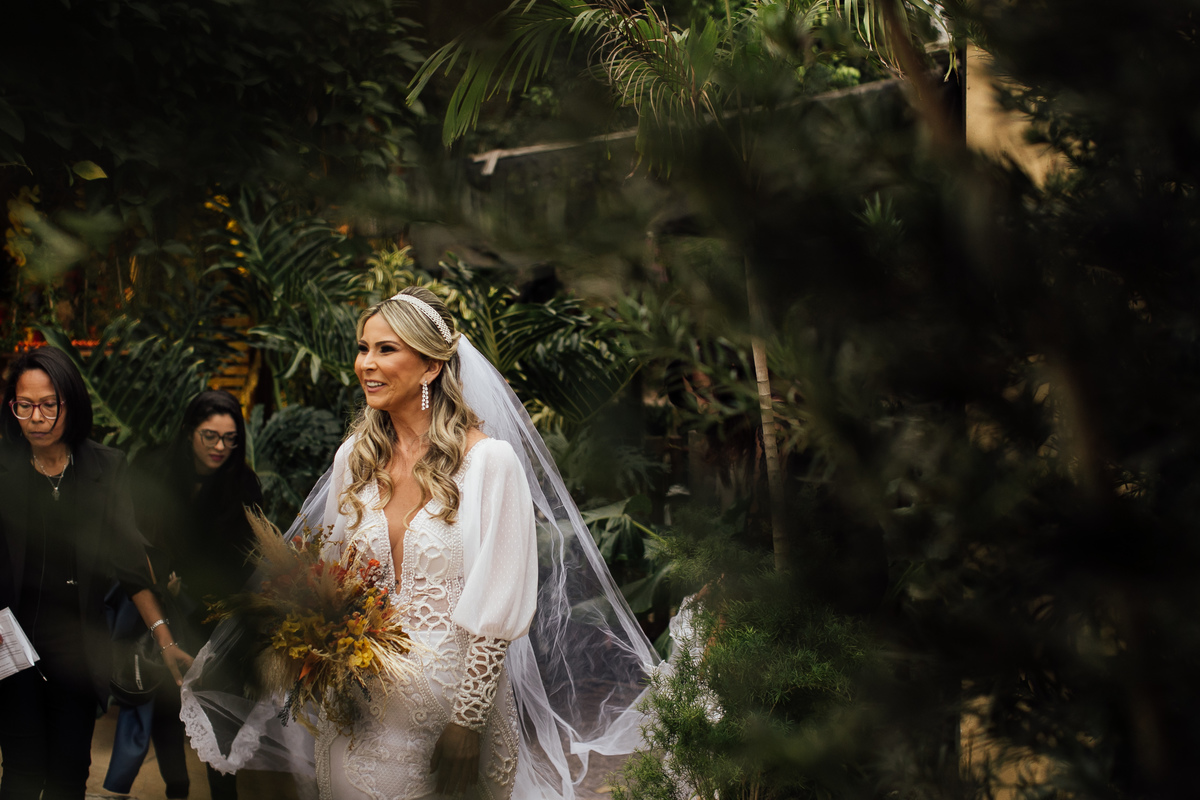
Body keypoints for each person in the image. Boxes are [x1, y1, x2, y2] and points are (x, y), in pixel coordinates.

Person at [182, 288, 659, 799]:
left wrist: (468, 722)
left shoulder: (489, 465)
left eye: (386, 349)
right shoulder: (354, 460)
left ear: (431, 366)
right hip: (359, 708)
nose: (366, 362)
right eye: (363, 348)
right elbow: (328, 580)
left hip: (453, 714)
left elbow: (500, 605)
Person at [0, 345, 193, 800]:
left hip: (77, 649)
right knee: (21, 775)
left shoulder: (105, 467)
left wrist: (165, 640)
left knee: (69, 774)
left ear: (71, 403)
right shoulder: (4, 466)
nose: (36, 417)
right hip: (11, 647)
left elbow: (130, 564)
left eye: (49, 405)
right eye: (24, 406)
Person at [105, 390, 263, 800]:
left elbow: (247, 562)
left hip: (214, 617)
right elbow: (127, 538)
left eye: (230, 439)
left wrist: (191, 588)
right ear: (189, 431)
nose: (220, 448)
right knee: (161, 709)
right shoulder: (152, 468)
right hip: (156, 608)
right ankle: (176, 788)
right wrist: (161, 581)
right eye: (210, 436)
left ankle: (223, 793)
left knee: (216, 718)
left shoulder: (242, 483)